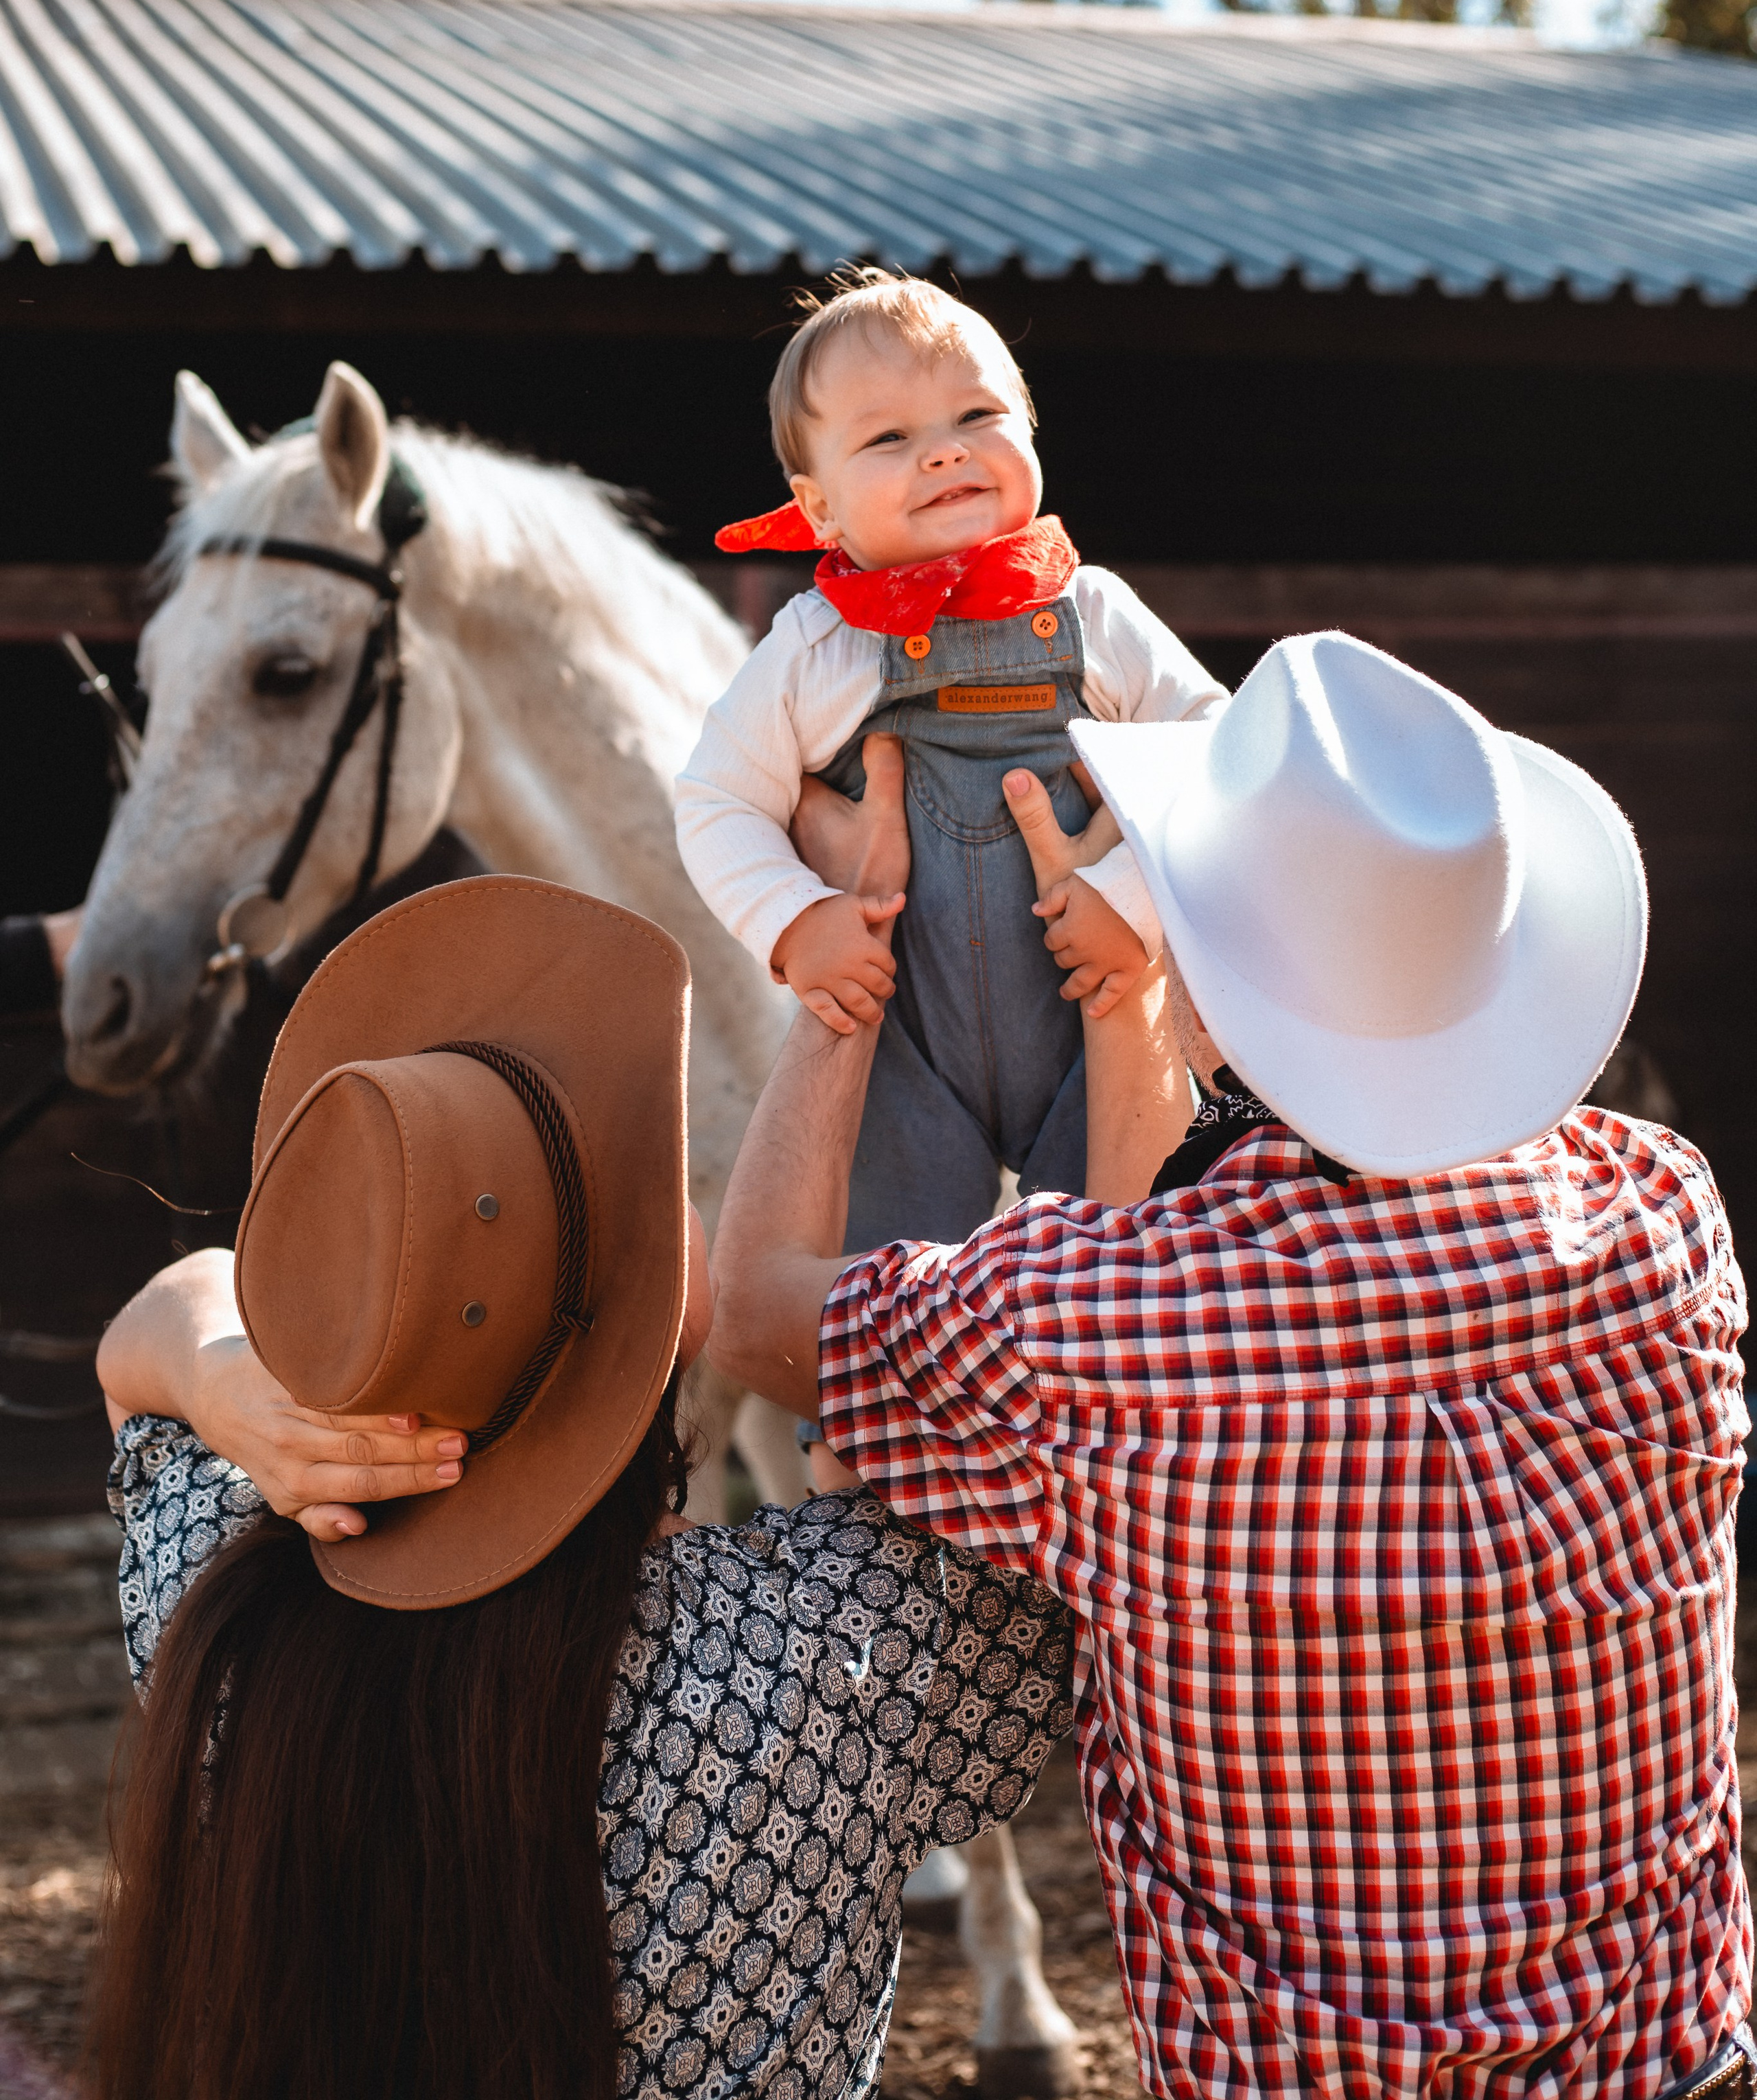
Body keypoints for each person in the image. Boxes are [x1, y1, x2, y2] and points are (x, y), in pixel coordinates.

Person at [708, 631, 1752, 2100]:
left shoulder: (1089, 1331)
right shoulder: (1660, 1221)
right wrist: (1151, 992)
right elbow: (1206, 1270)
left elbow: (754, 1308)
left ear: (1206, 986)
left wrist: (847, 943)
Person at [91, 874, 1074, 2100]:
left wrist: (228, 1375)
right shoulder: (824, 1666)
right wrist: (852, 1013)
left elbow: (146, 1337)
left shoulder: (223, 1622)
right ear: (661, 1317)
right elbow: (1109, 1373)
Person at [677, 265, 1224, 1247]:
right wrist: (800, 922)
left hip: (1084, 1026)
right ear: (821, 507)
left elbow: (1219, 759)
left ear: (1030, 431)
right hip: (903, 1037)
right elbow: (717, 800)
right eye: (889, 437)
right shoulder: (816, 647)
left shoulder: (1092, 612)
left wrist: (1130, 900)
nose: (943, 453)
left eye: (977, 415)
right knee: (882, 1285)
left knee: (1111, 1274)